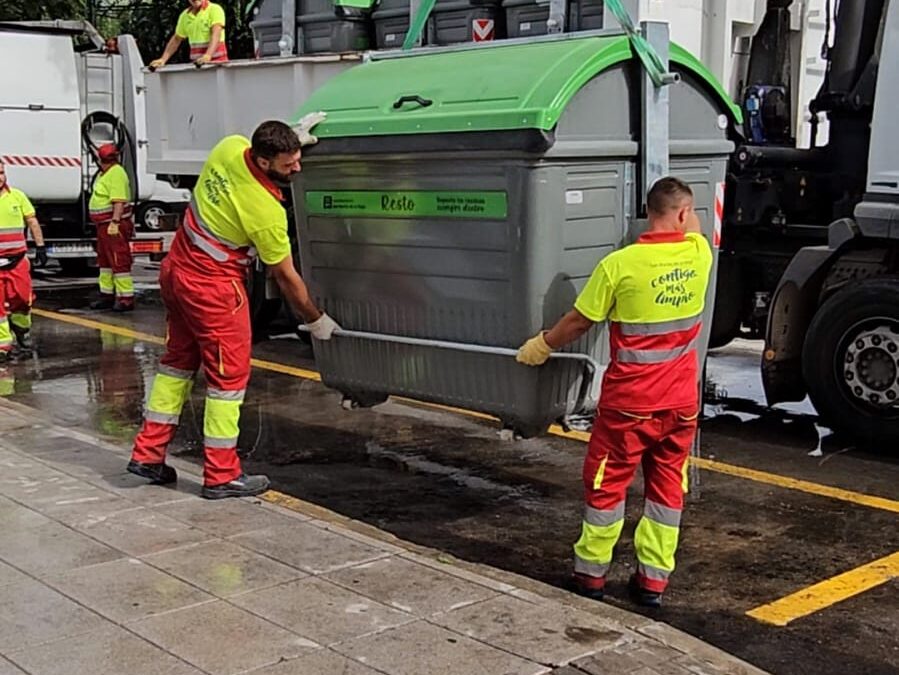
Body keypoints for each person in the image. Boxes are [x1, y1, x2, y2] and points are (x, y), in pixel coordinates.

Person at [516, 177, 713, 608]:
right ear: (682, 214)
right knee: (666, 492)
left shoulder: (619, 265)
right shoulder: (700, 256)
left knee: (607, 488)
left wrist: (543, 344)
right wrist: (688, 215)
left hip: (630, 406)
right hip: (680, 406)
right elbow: (698, 227)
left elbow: (580, 321)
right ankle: (652, 584)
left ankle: (590, 576)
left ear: (648, 212)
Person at [129, 118, 339, 500]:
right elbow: (288, 279)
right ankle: (221, 474)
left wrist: (291, 136)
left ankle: (148, 454)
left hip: (177, 273)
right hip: (213, 290)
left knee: (177, 364)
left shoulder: (229, 148)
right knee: (228, 381)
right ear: (262, 163)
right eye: (289, 163)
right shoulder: (265, 211)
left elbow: (254, 141)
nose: (298, 167)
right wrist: (315, 319)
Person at [0, 160, 47, 361]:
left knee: (21, 298)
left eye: (1, 172)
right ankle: (3, 345)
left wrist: (40, 246)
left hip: (17, 260)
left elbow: (32, 222)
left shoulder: (17, 196)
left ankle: (22, 331)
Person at [89, 144, 134, 312]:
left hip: (113, 225)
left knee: (118, 260)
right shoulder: (107, 173)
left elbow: (119, 201)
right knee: (105, 262)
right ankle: (106, 295)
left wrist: (115, 222)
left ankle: (125, 299)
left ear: (101, 160)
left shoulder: (116, 174)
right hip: (104, 225)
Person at [150, 0, 228, 68]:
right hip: (197, 65)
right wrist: (163, 59)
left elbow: (216, 33)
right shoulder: (184, 16)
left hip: (218, 64)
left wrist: (208, 55)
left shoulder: (214, 9)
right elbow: (177, 39)